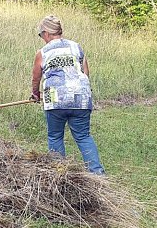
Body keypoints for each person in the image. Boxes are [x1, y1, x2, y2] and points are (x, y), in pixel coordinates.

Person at [30, 15, 105, 175]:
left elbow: (36, 77)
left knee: (55, 136)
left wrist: (35, 94)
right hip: (81, 98)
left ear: (47, 33)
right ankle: (98, 173)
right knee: (83, 136)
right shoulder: (76, 47)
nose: (42, 38)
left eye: (41, 35)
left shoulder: (42, 52)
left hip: (55, 100)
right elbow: (85, 72)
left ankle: (60, 174)